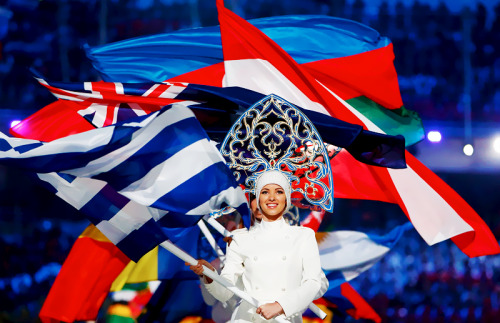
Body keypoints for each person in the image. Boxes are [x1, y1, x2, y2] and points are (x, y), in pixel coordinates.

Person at [188, 170, 327, 322]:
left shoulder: (303, 236)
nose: (272, 197)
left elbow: (315, 282)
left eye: (279, 191)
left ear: (286, 198)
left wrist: (280, 305)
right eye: (265, 192)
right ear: (256, 200)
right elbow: (225, 293)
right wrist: (209, 274)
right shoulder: (239, 239)